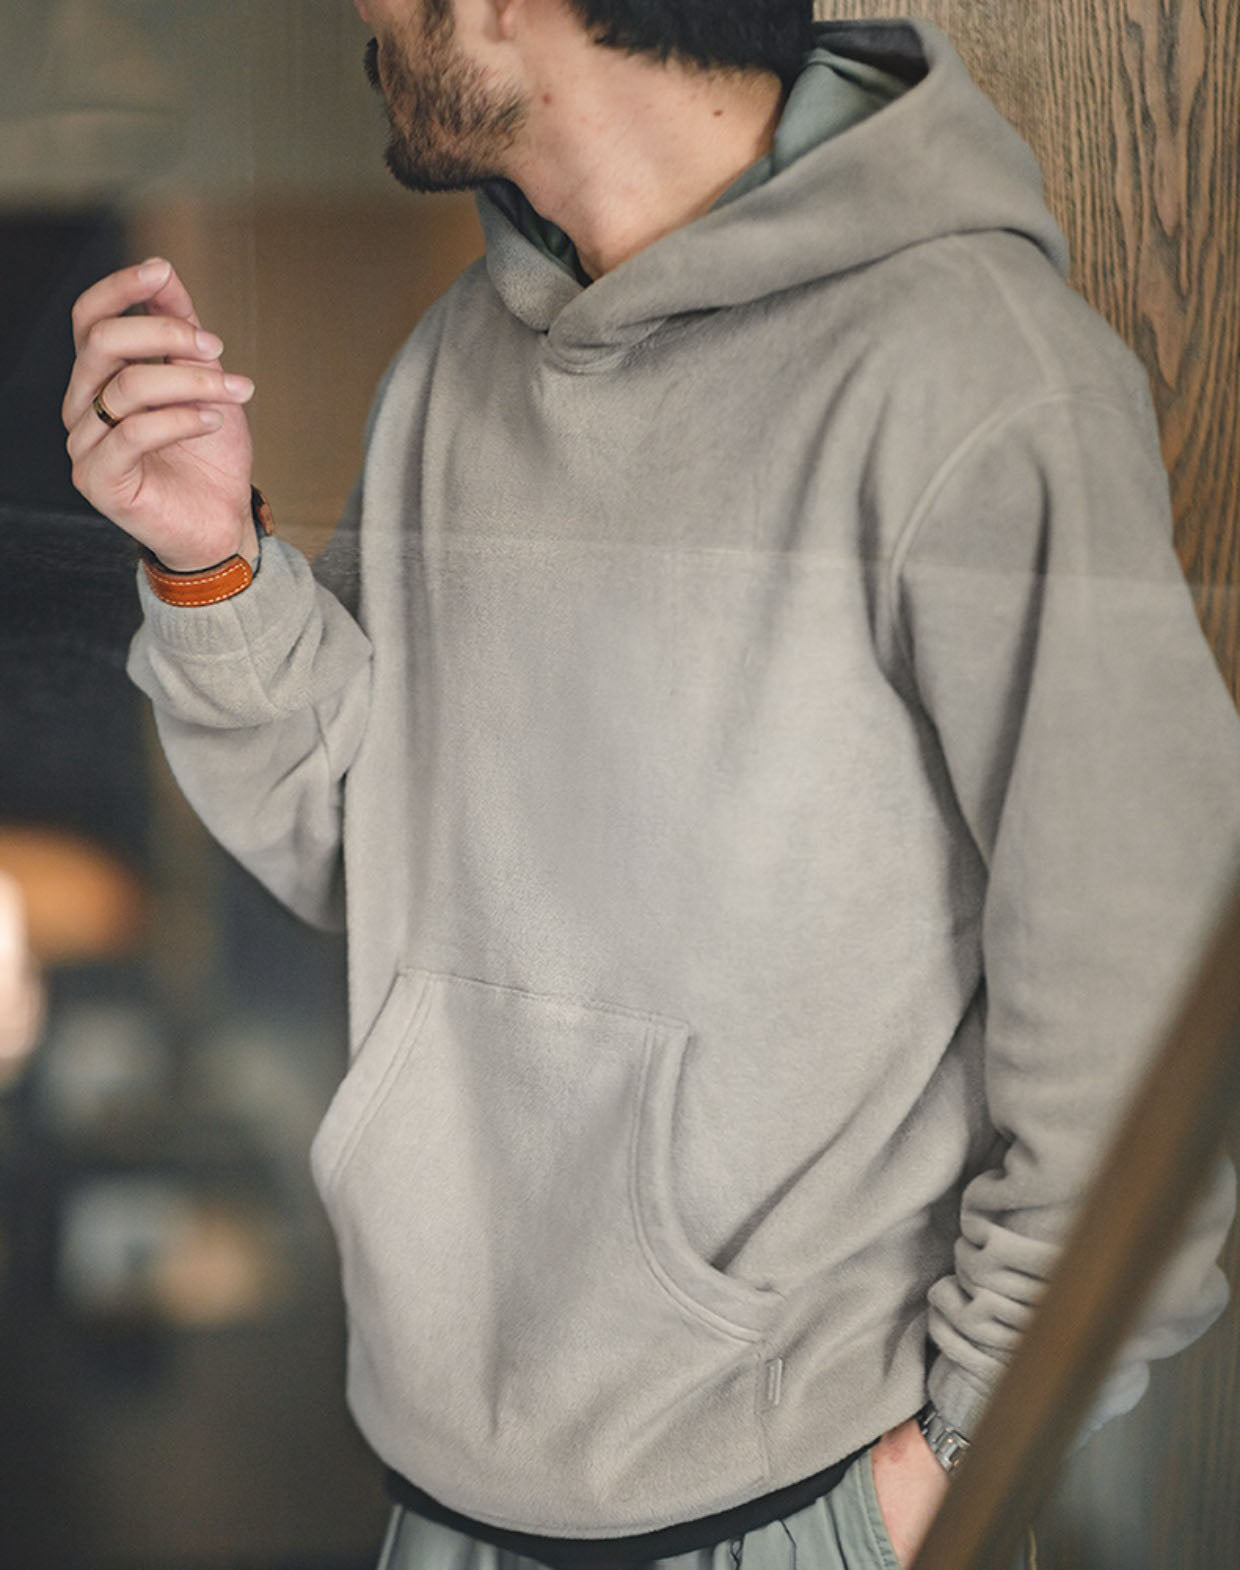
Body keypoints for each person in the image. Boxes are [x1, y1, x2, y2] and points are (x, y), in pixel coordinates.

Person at [62, 3, 1240, 1567]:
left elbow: (1151, 1012)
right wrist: (210, 562)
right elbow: (366, 847)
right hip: (441, 1489)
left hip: (801, 1504)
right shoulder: (460, 360)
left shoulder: (976, 375)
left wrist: (958, 1456)